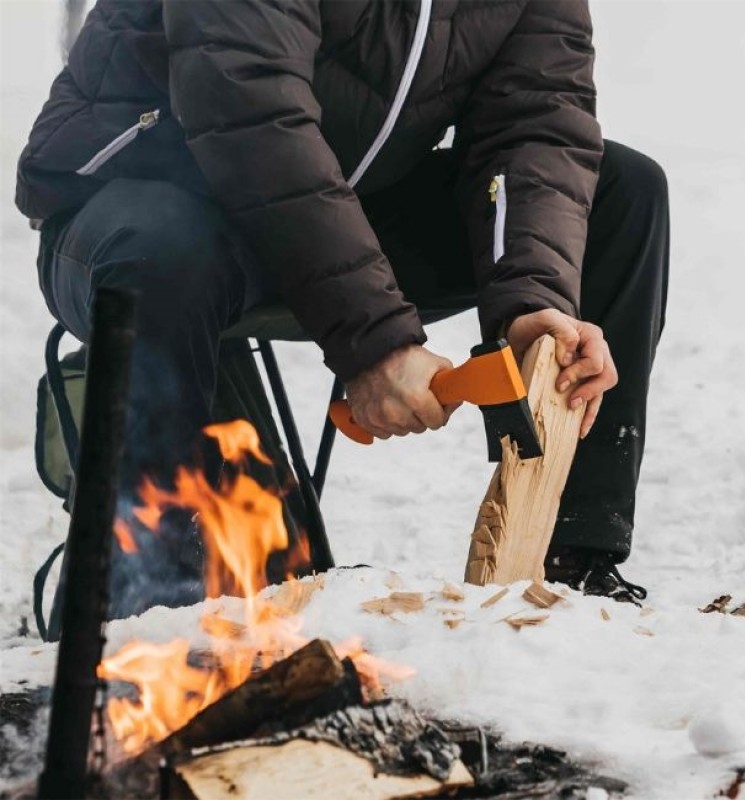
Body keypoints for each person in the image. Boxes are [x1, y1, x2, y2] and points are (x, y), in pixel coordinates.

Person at [17, 0, 668, 613]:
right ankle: (166, 583)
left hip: (340, 207)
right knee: (162, 247)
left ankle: (571, 567)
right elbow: (250, 109)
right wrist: (376, 338)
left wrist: (532, 301)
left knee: (623, 193)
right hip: (144, 203)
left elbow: (533, 126)